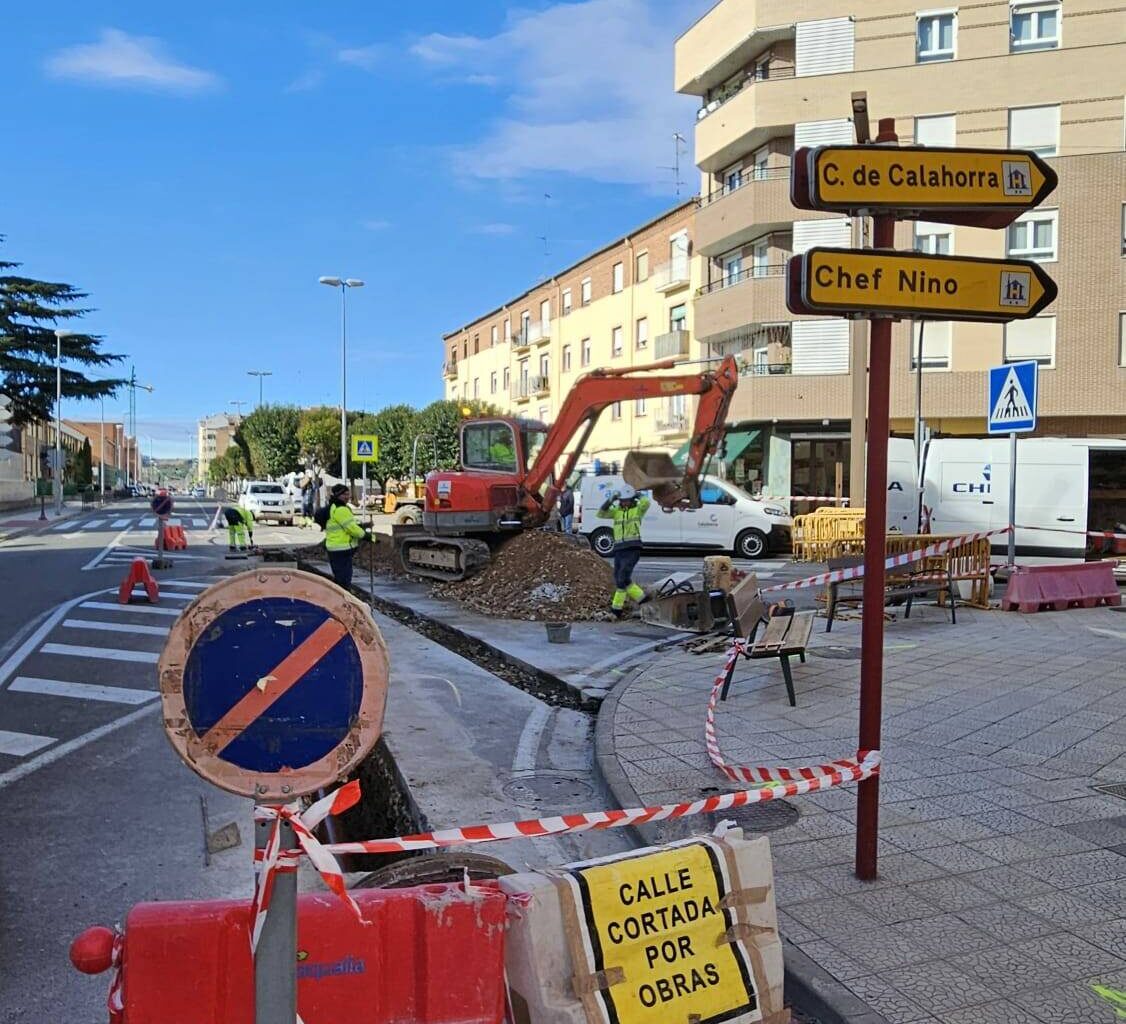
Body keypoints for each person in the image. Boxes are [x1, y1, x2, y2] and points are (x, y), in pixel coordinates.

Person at [595, 485, 651, 617]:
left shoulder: (637, 510)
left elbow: (646, 502)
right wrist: (610, 500)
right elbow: (600, 513)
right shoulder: (616, 512)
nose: (625, 502)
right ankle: (639, 600)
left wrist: (637, 494)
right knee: (620, 579)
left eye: (627, 499)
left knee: (622, 578)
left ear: (632, 500)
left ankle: (621, 608)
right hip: (619, 549)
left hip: (633, 548)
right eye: (622, 500)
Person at [325, 483, 371, 588]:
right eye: (344, 494)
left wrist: (363, 525)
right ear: (337, 495)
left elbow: (346, 524)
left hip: (336, 548)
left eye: (348, 494)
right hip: (341, 549)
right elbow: (352, 529)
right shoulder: (340, 509)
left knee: (341, 579)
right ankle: (344, 600)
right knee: (344, 581)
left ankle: (342, 599)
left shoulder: (333, 507)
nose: (347, 497)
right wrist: (368, 536)